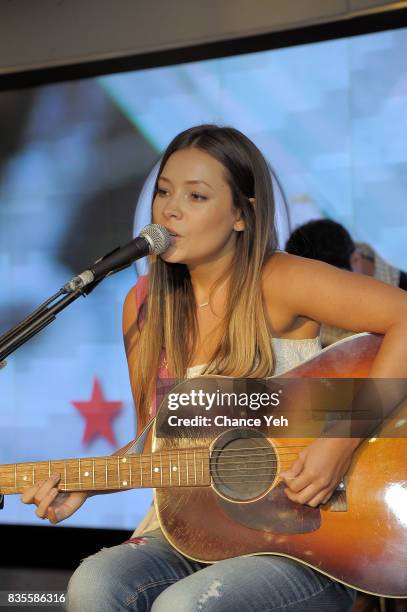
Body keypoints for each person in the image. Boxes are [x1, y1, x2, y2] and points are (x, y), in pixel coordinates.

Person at [20, 125, 407, 611]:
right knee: (94, 582)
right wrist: (87, 483)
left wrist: (340, 440)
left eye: (196, 196)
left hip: (303, 538)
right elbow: (159, 444)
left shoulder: (282, 279)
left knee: (184, 607)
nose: (170, 209)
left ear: (241, 215)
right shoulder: (142, 309)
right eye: (164, 192)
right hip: (193, 531)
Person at [285, 219, 407, 347]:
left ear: (356, 259)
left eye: (329, 293)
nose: (319, 305)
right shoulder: (296, 296)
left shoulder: (402, 294)